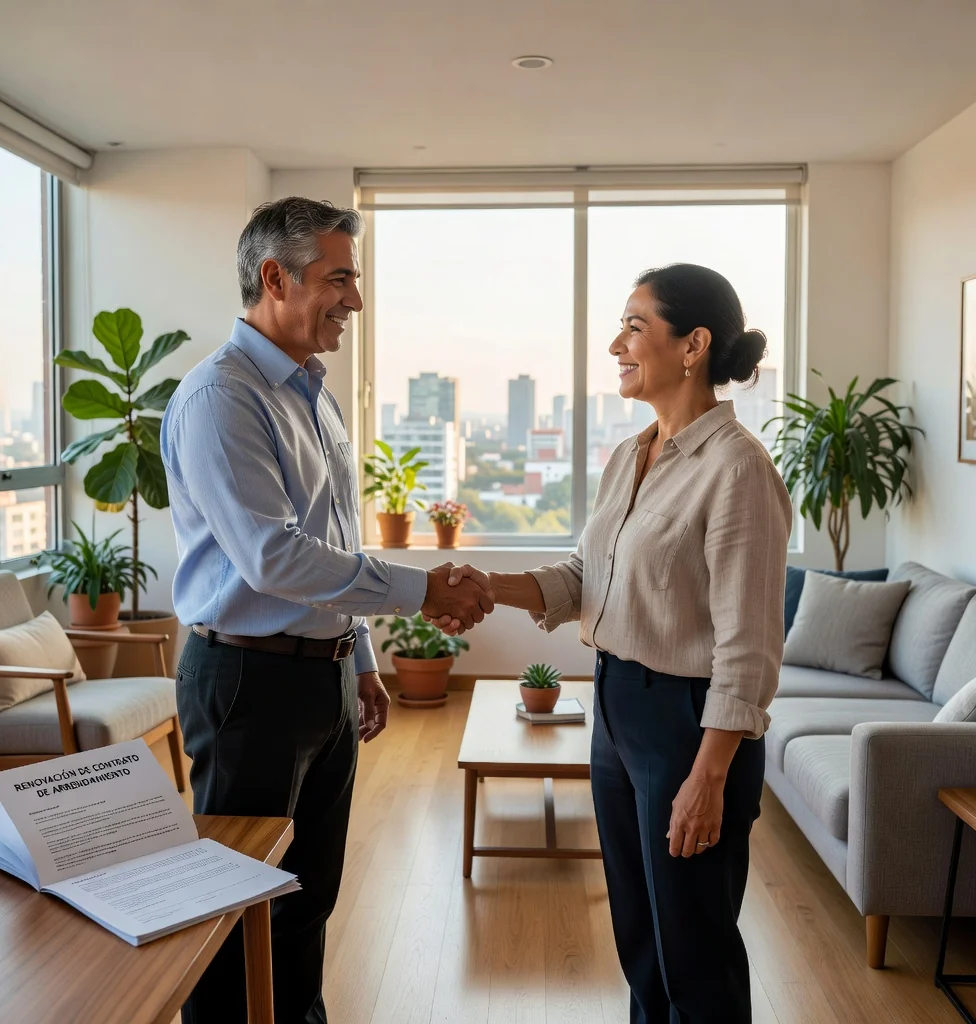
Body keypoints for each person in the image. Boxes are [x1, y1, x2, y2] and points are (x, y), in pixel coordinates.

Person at [160, 196, 493, 1024]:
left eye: (356, 277)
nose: (355, 299)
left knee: (307, 899)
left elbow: (334, 537)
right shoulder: (221, 399)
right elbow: (275, 558)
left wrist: (365, 658)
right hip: (246, 681)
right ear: (274, 277)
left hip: (324, 679)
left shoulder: (315, 395)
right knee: (236, 910)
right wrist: (422, 591)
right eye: (338, 278)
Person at [437, 264, 792, 1023]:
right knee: (640, 937)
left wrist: (708, 778)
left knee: (694, 948)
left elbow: (751, 649)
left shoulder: (738, 470)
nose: (615, 345)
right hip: (618, 708)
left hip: (693, 729)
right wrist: (484, 585)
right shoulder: (630, 456)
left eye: (634, 326)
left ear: (693, 345)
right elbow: (581, 577)